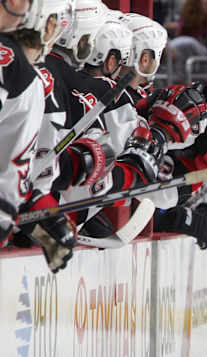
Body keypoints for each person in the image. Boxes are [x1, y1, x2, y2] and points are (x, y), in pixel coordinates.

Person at [0, 0, 76, 274]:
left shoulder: (30, 76)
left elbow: (16, 173)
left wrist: (45, 224)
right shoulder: (11, 63)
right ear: (46, 23)